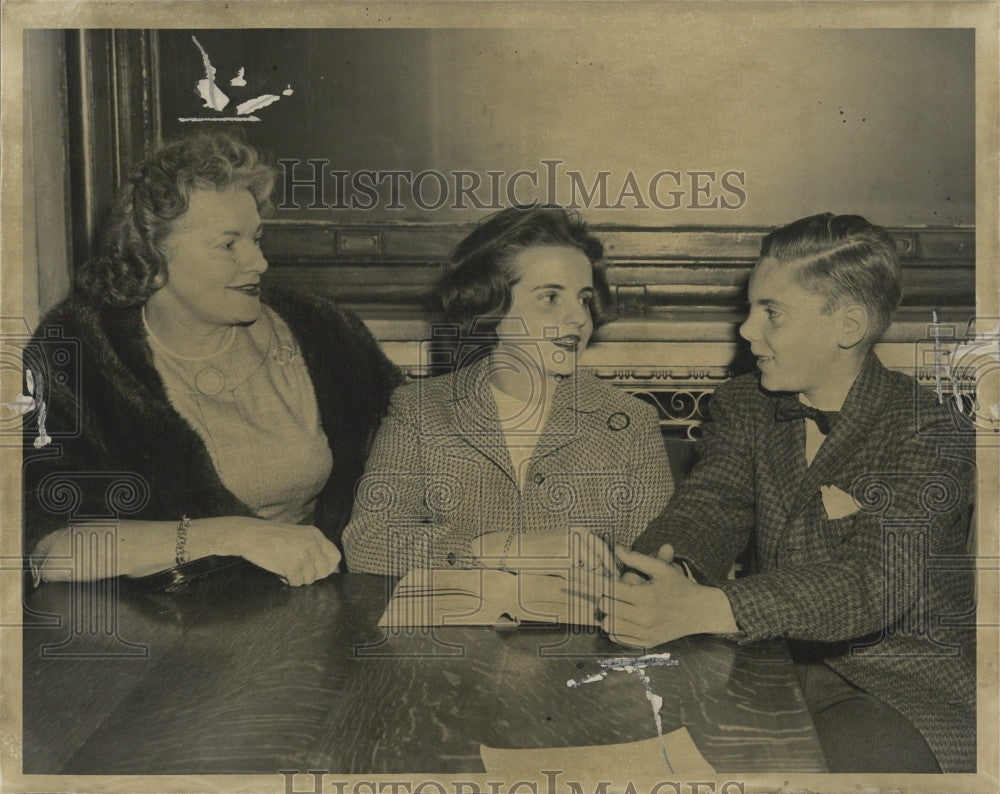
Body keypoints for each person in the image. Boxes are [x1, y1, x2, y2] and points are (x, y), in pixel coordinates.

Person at [600, 213, 976, 773]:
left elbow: (871, 585)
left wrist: (709, 605)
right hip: (765, 661)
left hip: (900, 687)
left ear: (846, 326)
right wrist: (659, 573)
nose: (748, 331)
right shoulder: (746, 405)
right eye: (750, 309)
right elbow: (710, 504)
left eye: (770, 312)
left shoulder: (929, 432)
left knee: (805, 769)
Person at [21, 131, 401, 587]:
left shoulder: (325, 334)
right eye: (229, 244)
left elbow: (417, 435)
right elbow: (46, 547)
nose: (258, 262)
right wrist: (233, 535)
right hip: (158, 631)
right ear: (154, 256)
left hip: (307, 617)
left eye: (257, 239)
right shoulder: (80, 357)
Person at [342, 205, 673, 577]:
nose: (580, 318)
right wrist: (501, 549)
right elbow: (366, 544)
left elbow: (651, 565)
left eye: (583, 298)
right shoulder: (420, 411)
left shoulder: (629, 424)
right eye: (551, 298)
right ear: (492, 304)